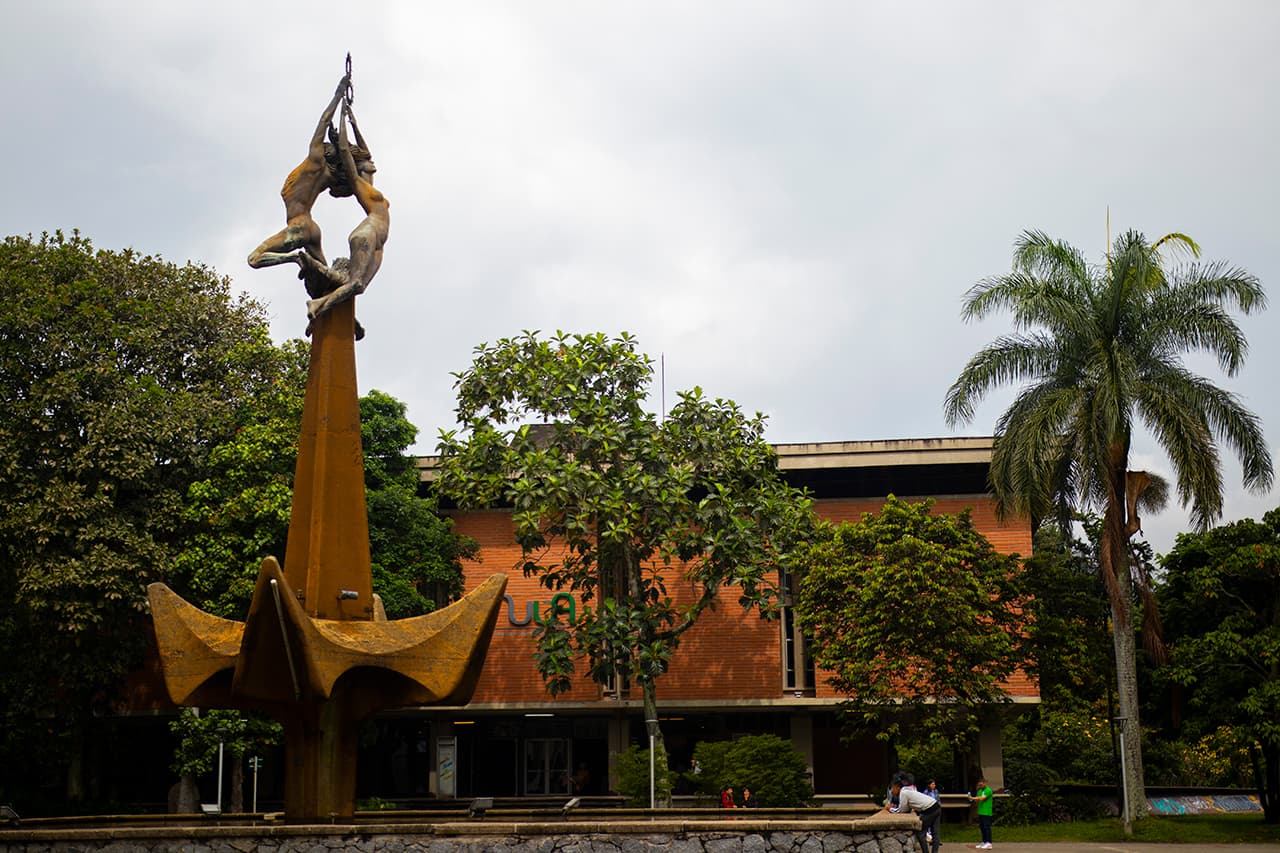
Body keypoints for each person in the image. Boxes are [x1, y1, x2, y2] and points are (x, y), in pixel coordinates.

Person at [247, 73, 352, 271]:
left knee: (254, 259)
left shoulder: (314, 160)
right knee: (327, 276)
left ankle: (296, 258)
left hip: (299, 227)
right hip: (311, 228)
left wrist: (338, 95)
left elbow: (323, 121)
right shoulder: (323, 174)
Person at [300, 102, 390, 323]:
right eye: (366, 164)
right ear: (358, 168)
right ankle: (317, 305)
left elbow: (366, 153)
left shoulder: (370, 183)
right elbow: (344, 150)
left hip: (379, 241)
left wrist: (352, 120)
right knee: (355, 283)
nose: (372, 163)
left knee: (358, 287)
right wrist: (341, 115)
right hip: (366, 234)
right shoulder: (359, 184)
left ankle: (332, 307)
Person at [887, 772, 941, 853]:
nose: (892, 791)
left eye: (892, 788)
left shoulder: (903, 793)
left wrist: (890, 809)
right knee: (935, 833)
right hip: (936, 806)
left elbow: (901, 810)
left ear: (897, 787)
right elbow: (907, 807)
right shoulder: (908, 790)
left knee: (920, 833)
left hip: (929, 810)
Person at [969, 776, 994, 849]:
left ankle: (989, 842)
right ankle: (984, 841)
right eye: (979, 785)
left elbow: (983, 798)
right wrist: (972, 798)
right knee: (982, 827)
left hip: (987, 812)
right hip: (981, 811)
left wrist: (973, 798)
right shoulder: (980, 791)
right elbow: (977, 800)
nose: (980, 786)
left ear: (985, 783)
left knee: (987, 827)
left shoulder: (988, 790)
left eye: (981, 784)